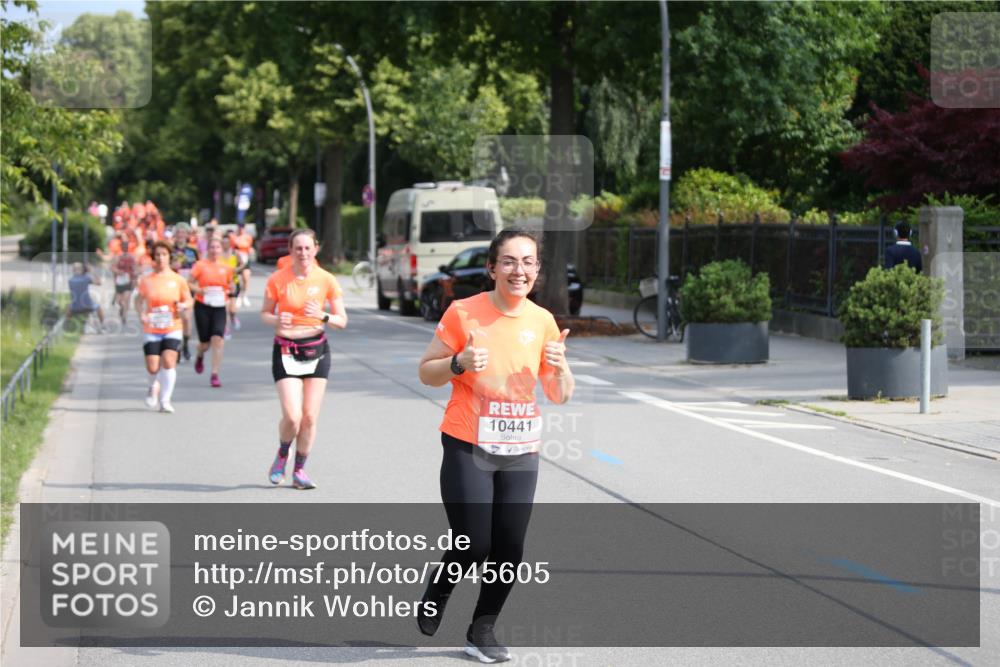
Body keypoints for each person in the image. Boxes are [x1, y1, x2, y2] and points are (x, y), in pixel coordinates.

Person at [415, 229, 574, 663]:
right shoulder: (462, 313)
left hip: (520, 448)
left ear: (537, 270)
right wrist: (457, 362)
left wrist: (560, 368)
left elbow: (559, 394)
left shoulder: (542, 321)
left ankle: (482, 628)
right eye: (508, 261)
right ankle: (441, 587)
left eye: (527, 262)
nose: (518, 270)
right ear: (492, 268)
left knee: (510, 547)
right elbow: (426, 372)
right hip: (468, 441)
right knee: (473, 543)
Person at [260, 229, 347, 490]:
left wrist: (323, 315)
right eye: (298, 248)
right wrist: (276, 319)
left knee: (309, 416)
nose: (303, 253)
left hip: (317, 350)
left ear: (316, 249)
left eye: (308, 248)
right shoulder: (278, 279)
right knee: (293, 416)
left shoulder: (327, 279)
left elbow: (341, 321)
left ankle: (299, 470)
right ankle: (282, 453)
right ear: (290, 250)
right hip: (286, 349)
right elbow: (264, 313)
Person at [134, 241, 193, 413]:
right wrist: (141, 314)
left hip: (172, 325)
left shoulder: (178, 279)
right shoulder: (147, 280)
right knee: (153, 366)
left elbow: (188, 299)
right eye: (158, 255)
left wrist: (184, 306)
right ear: (153, 258)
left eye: (164, 255)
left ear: (169, 257)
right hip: (152, 327)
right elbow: (138, 300)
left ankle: (165, 400)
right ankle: (153, 387)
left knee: (168, 362)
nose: (161, 258)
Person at [188, 237, 234, 387]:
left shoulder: (226, 267)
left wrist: (232, 289)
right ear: (208, 249)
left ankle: (215, 374)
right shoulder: (200, 265)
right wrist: (200, 290)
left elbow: (231, 284)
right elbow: (188, 282)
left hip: (220, 306)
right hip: (203, 305)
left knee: (218, 339)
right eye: (212, 247)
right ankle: (200, 355)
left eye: (217, 247)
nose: (215, 250)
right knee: (205, 344)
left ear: (221, 249)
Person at [170, 223, 201, 361]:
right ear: (175, 235)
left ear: (187, 235)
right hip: (173, 287)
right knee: (175, 318)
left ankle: (186, 345)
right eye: (178, 233)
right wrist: (172, 267)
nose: (181, 235)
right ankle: (176, 346)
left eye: (183, 233)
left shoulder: (192, 251)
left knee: (187, 318)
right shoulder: (169, 250)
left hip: (188, 287)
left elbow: (199, 268)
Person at [67, 262, 104, 329]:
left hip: (75, 307)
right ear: (82, 269)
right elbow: (99, 283)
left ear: (73, 270)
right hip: (87, 305)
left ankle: (68, 324)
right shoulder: (86, 278)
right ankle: (102, 325)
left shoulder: (70, 280)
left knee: (69, 306)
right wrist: (92, 271)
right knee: (98, 307)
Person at [111, 237, 137, 324]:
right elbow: (113, 268)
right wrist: (118, 272)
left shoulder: (132, 257)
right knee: (120, 301)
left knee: (126, 299)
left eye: (126, 245)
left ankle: (124, 316)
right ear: (121, 246)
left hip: (128, 281)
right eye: (124, 245)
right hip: (120, 281)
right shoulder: (117, 257)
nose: (125, 247)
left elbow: (134, 270)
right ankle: (122, 308)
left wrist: (134, 281)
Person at [229, 224, 254, 307]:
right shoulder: (234, 237)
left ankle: (244, 295)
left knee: (246, 278)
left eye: (242, 228)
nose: (241, 230)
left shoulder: (248, 237)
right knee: (238, 280)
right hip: (237, 260)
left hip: (246, 259)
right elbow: (232, 248)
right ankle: (238, 297)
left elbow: (249, 247)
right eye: (239, 228)